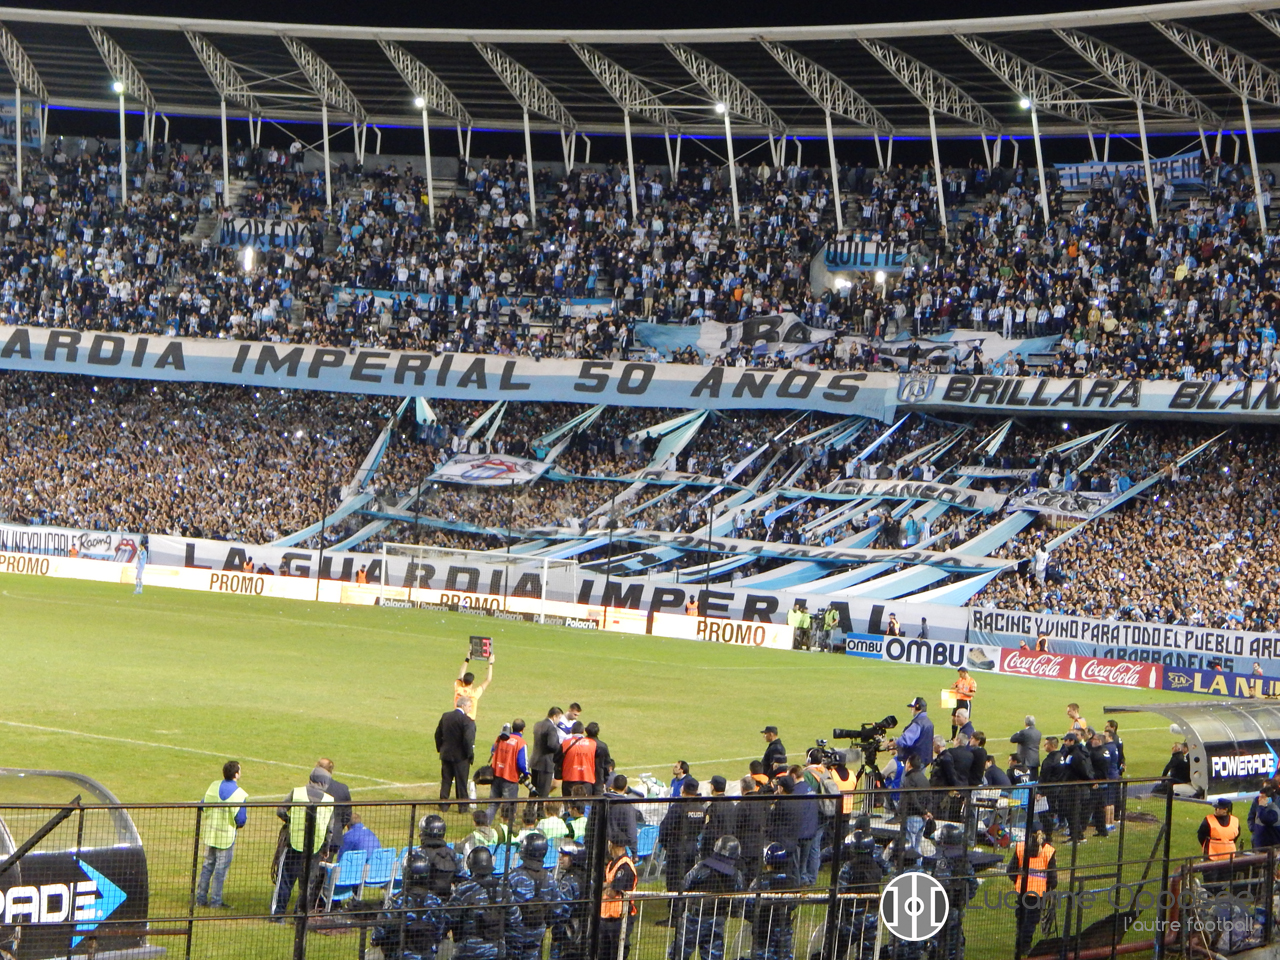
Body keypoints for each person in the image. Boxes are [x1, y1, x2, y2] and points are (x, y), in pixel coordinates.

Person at [272, 766, 335, 917]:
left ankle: (278, 915)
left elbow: (280, 810)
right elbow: (329, 828)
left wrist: (291, 822)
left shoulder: (297, 792)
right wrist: (325, 847)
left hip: (293, 843)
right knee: (307, 884)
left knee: (285, 881)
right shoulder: (329, 800)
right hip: (315, 847)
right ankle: (299, 916)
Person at [671, 835, 744, 960]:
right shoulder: (736, 875)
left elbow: (685, 885)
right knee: (712, 956)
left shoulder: (702, 867)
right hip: (717, 919)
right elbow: (739, 899)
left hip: (694, 918)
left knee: (679, 954)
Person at [446, 847, 520, 960]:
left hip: (468, 952)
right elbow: (515, 919)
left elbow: (449, 918)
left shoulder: (464, 889)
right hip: (497, 951)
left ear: (470, 865)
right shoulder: (504, 889)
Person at [372, 852, 448, 960]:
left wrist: (376, 940)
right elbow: (440, 933)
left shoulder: (396, 901)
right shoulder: (435, 901)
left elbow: (378, 933)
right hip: (428, 956)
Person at [195, 760, 247, 909]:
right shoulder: (239, 794)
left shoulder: (214, 786)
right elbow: (241, 820)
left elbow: (203, 804)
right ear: (236, 774)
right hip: (226, 837)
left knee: (207, 866)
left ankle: (200, 899)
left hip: (211, 833)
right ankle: (216, 901)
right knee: (220, 870)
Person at [507, 832, 566, 960]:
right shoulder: (549, 877)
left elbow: (503, 906)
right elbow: (557, 909)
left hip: (515, 933)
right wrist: (545, 923)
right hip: (538, 931)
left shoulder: (513, 876)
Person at [658, 779, 706, 927]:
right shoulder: (700, 808)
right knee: (687, 881)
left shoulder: (678, 807)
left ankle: (675, 916)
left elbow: (665, 827)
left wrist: (666, 844)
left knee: (674, 883)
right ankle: (684, 913)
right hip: (691, 848)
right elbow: (700, 828)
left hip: (676, 849)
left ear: (683, 789)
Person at [1008, 828, 1057, 956]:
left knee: (1021, 917)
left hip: (1022, 890)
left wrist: (1017, 881)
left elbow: (1011, 870)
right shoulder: (1048, 851)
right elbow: (1053, 878)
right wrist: (1049, 888)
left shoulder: (1020, 847)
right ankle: (1025, 945)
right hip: (1038, 892)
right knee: (1031, 920)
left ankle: (1019, 944)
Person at [745, 843, 797, 960]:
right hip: (784, 929)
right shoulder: (791, 881)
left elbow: (748, 906)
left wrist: (755, 918)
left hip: (763, 930)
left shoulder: (760, 881)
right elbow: (794, 904)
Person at [886, 697, 934, 807]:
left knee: (906, 787)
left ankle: (903, 811)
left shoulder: (918, 723)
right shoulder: (928, 723)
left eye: (912, 708)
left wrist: (892, 743)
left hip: (914, 761)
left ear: (918, 708)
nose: (911, 710)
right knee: (917, 787)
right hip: (924, 760)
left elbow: (906, 740)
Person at [599, 836, 638, 960]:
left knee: (617, 953)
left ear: (612, 845)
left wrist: (607, 887)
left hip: (620, 918)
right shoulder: (611, 864)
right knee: (603, 954)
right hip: (606, 917)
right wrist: (608, 886)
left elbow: (612, 892)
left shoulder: (625, 866)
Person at [436, 696, 477, 813]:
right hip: (461, 757)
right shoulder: (467, 721)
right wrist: (470, 755)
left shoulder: (445, 716)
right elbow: (468, 740)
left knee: (446, 780)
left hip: (446, 754)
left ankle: (443, 804)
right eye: (469, 706)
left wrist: (440, 748)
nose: (470, 709)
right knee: (461, 782)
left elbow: (437, 734)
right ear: (463, 706)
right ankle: (462, 807)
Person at [552, 840, 589, 960]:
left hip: (568, 935)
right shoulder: (588, 878)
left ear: (574, 858)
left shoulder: (568, 882)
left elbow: (562, 911)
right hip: (587, 932)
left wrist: (556, 932)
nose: (560, 858)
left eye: (565, 855)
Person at [488, 719, 529, 824]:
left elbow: (492, 751)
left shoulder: (501, 738)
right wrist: (526, 774)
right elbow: (522, 764)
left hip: (496, 775)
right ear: (523, 729)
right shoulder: (521, 743)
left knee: (492, 804)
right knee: (509, 807)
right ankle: (507, 829)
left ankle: (485, 824)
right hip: (510, 778)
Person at [417, 814, 465, 897]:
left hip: (425, 900)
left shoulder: (419, 853)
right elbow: (462, 878)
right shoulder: (452, 854)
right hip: (448, 900)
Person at [317, 758, 352, 855]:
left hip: (316, 837)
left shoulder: (314, 789)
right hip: (334, 837)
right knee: (327, 863)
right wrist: (338, 827)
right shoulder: (342, 788)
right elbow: (347, 815)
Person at [899, 754, 932, 855]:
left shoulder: (909, 778)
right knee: (917, 847)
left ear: (909, 764)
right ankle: (918, 864)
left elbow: (912, 798)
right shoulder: (924, 778)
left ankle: (910, 865)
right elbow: (930, 797)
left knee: (910, 847)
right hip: (923, 818)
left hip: (912, 816)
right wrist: (927, 812)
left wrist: (923, 812)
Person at [530, 707, 563, 800]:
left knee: (533, 790)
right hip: (546, 764)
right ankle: (540, 809)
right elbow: (552, 745)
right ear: (554, 716)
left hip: (535, 762)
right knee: (543, 792)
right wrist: (560, 748)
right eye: (559, 718)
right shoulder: (551, 728)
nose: (559, 720)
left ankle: (529, 808)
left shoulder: (537, 724)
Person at [454, 653, 495, 720]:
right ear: (472, 682)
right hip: (469, 720)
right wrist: (490, 663)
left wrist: (467, 659)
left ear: (463, 680)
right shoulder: (474, 693)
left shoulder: (458, 689)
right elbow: (488, 679)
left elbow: (461, 674)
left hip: (457, 719)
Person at [951, 667, 977, 734]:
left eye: (961, 674)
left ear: (965, 673)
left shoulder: (971, 681)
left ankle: (968, 733)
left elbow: (972, 694)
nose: (960, 676)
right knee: (954, 718)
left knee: (964, 719)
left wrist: (962, 692)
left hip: (965, 701)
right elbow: (953, 686)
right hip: (958, 700)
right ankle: (953, 736)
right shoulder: (960, 680)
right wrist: (955, 687)